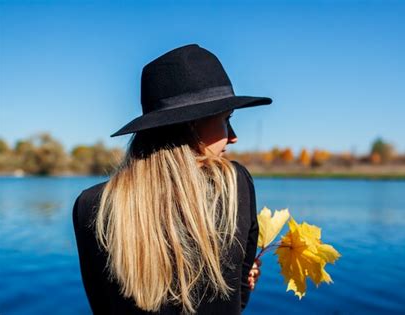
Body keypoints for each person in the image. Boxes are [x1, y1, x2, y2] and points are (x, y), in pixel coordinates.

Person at [72, 44, 272, 314]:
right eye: (226, 119)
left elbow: (101, 306)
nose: (233, 136)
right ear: (192, 124)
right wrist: (243, 280)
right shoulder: (234, 184)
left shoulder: (89, 205)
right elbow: (236, 303)